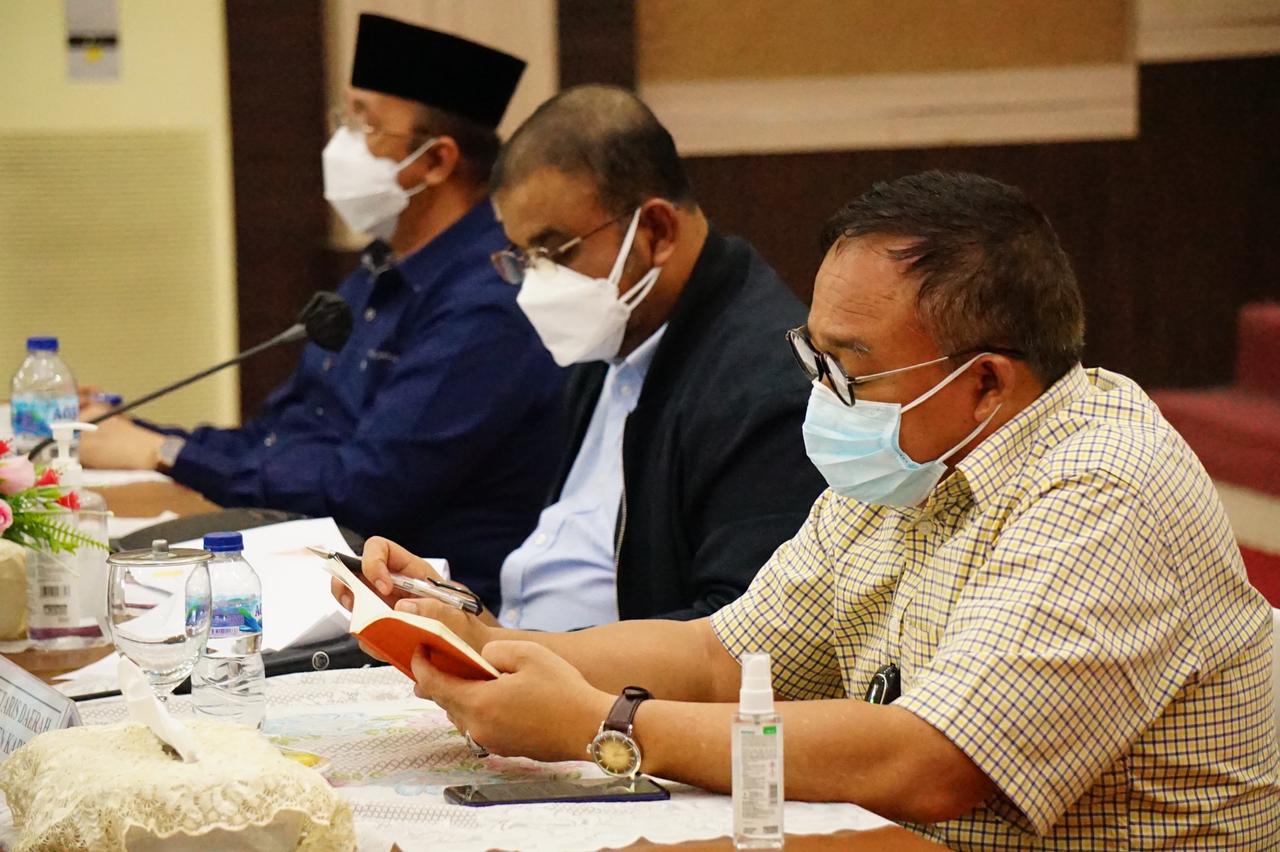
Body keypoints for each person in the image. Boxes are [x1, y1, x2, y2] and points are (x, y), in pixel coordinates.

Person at [340, 172, 1280, 848]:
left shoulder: (1103, 486)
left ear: (987, 382)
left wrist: (602, 726)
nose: (823, 393)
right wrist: (484, 638)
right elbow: (722, 658)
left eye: (850, 367)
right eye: (815, 356)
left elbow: (930, 763)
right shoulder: (908, 460)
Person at [81, 15, 564, 610]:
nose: (341, 143)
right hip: (318, 561)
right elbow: (278, 437)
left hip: (417, 603)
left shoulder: (487, 302)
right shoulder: (377, 271)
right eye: (345, 118)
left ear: (436, 162)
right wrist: (141, 434)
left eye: (365, 123)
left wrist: (161, 454)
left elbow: (363, 490)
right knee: (106, 575)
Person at [361, 85, 822, 630]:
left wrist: (505, 650)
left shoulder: (767, 386)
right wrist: (466, 621)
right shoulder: (611, 337)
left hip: (600, 684)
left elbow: (737, 638)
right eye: (521, 258)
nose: (535, 286)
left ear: (656, 231)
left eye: (553, 251)